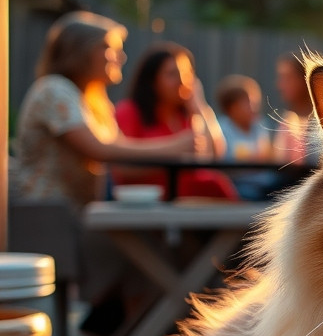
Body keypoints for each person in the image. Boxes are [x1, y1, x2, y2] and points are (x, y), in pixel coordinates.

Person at [12, 12, 201, 208]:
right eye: (109, 47)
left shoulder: (95, 101)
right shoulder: (54, 89)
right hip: (45, 215)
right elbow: (99, 150)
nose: (121, 57)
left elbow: (121, 153)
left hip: (79, 213)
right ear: (80, 50)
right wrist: (174, 147)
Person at [114, 43, 237, 200]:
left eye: (187, 74)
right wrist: (176, 147)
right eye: (172, 74)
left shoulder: (188, 115)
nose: (182, 81)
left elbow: (216, 155)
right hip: (147, 201)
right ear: (152, 81)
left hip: (192, 200)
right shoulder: (129, 110)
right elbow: (121, 166)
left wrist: (200, 107)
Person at [215, 74, 278, 200]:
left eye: (255, 102)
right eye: (248, 102)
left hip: (266, 183)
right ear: (232, 107)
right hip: (239, 185)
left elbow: (270, 155)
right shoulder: (220, 130)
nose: (254, 108)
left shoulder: (261, 126)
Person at [274, 53, 322, 165]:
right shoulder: (287, 121)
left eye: (288, 78)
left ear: (305, 79)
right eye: (281, 77)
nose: (280, 85)